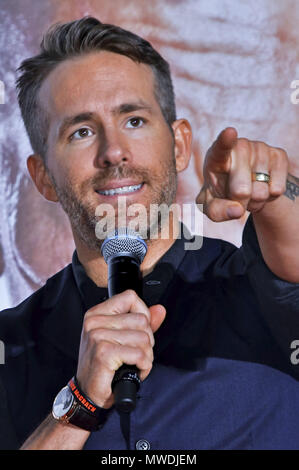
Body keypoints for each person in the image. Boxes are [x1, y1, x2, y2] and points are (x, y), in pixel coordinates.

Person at [1, 16, 299, 451]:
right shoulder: (11, 347)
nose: (114, 152)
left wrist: (275, 190)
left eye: (134, 120)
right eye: (81, 132)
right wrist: (78, 405)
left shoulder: (259, 290)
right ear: (43, 176)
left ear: (179, 146)